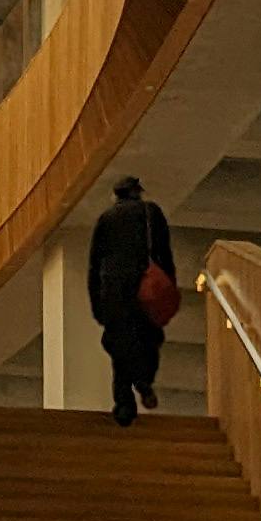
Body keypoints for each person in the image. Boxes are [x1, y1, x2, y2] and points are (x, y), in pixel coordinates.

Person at [87, 173, 175, 426]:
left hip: (114, 294)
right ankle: (143, 380)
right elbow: (164, 255)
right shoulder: (151, 214)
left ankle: (125, 405)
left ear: (116, 196)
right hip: (146, 289)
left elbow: (94, 265)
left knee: (120, 347)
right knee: (148, 339)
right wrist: (166, 287)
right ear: (139, 192)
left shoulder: (106, 218)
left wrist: (97, 303)